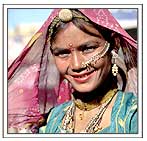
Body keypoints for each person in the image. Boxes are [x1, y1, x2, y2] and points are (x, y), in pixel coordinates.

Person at [8, 9, 137, 134]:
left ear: (114, 44)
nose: (76, 65)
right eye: (63, 53)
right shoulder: (54, 118)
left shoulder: (133, 116)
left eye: (88, 48)